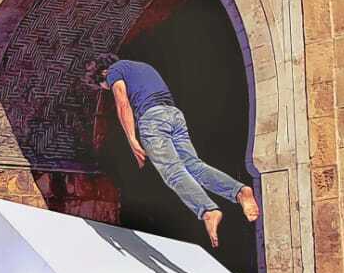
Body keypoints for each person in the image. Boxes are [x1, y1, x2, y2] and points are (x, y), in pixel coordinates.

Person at [85, 53, 260, 249]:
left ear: (103, 73)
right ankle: (239, 191)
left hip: (152, 119)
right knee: (195, 166)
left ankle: (207, 210)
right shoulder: (142, 65)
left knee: (172, 172)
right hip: (174, 115)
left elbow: (122, 103)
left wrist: (132, 139)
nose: (107, 88)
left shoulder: (114, 71)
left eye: (104, 86)